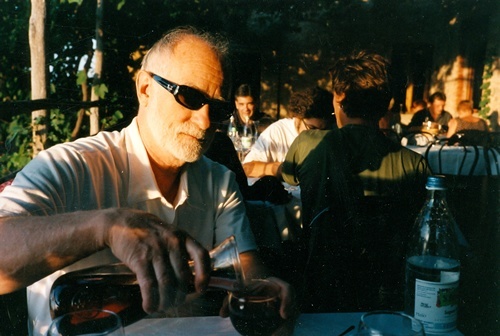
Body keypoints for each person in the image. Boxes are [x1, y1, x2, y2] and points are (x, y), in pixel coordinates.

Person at [0, 27, 296, 335]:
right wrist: (106, 227)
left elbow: (245, 267)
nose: (206, 121)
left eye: (219, 108)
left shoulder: (218, 181)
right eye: (190, 97)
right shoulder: (70, 166)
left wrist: (265, 287)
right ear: (145, 88)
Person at [282, 51, 430, 312]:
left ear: (339, 99)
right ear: (387, 104)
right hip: (385, 298)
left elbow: (287, 176)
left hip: (323, 294)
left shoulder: (308, 145)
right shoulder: (415, 164)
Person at [242, 87, 336, 178]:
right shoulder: (278, 131)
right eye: (312, 128)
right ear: (298, 117)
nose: (318, 134)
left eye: (323, 130)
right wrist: (282, 169)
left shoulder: (332, 134)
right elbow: (247, 168)